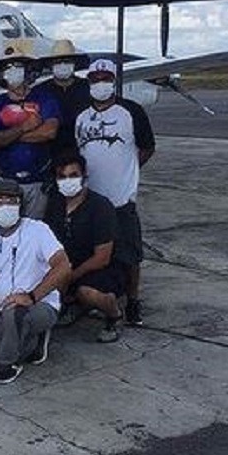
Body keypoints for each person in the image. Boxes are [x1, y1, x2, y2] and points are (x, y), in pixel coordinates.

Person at [0, 181, 70, 385]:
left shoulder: (38, 230)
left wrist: (32, 296)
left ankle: (9, 363)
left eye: (12, 201)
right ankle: (32, 342)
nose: (5, 206)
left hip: (40, 305)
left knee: (15, 311)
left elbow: (63, 266)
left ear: (21, 205)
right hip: (5, 309)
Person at [75, 59, 156, 327]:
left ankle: (132, 301)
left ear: (113, 81)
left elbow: (146, 147)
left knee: (130, 253)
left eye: (105, 78)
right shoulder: (81, 116)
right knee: (92, 252)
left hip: (121, 198)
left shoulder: (131, 111)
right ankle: (97, 297)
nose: (100, 83)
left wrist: (129, 171)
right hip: (91, 199)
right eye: (95, 79)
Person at [45, 151, 123, 342]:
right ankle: (72, 305)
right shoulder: (54, 204)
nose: (67, 181)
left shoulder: (100, 207)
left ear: (84, 177)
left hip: (97, 268)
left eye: (73, 175)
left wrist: (69, 277)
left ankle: (114, 315)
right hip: (64, 265)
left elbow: (102, 257)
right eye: (62, 177)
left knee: (87, 293)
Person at [0, 51, 60, 220]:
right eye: (8, 68)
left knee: (34, 231)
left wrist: (5, 137)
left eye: (18, 67)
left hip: (37, 180)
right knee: (0, 227)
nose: (13, 71)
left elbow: (49, 132)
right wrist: (24, 127)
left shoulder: (44, 99)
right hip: (4, 179)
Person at [34, 39, 91, 156]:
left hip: (84, 149)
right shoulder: (39, 91)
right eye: (58, 61)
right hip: (49, 151)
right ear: (51, 65)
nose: (63, 65)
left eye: (67, 61)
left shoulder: (88, 87)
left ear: (74, 64)